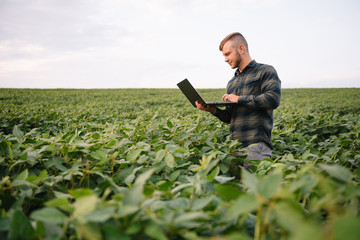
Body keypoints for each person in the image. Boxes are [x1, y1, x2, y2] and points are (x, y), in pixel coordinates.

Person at [195, 32, 281, 171]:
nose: (225, 59)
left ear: (241, 49)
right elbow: (231, 117)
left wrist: (238, 99)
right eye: (224, 55)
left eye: (228, 54)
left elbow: (272, 99)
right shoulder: (232, 82)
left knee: (255, 189)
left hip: (256, 145)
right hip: (234, 148)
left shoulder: (265, 71)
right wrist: (213, 110)